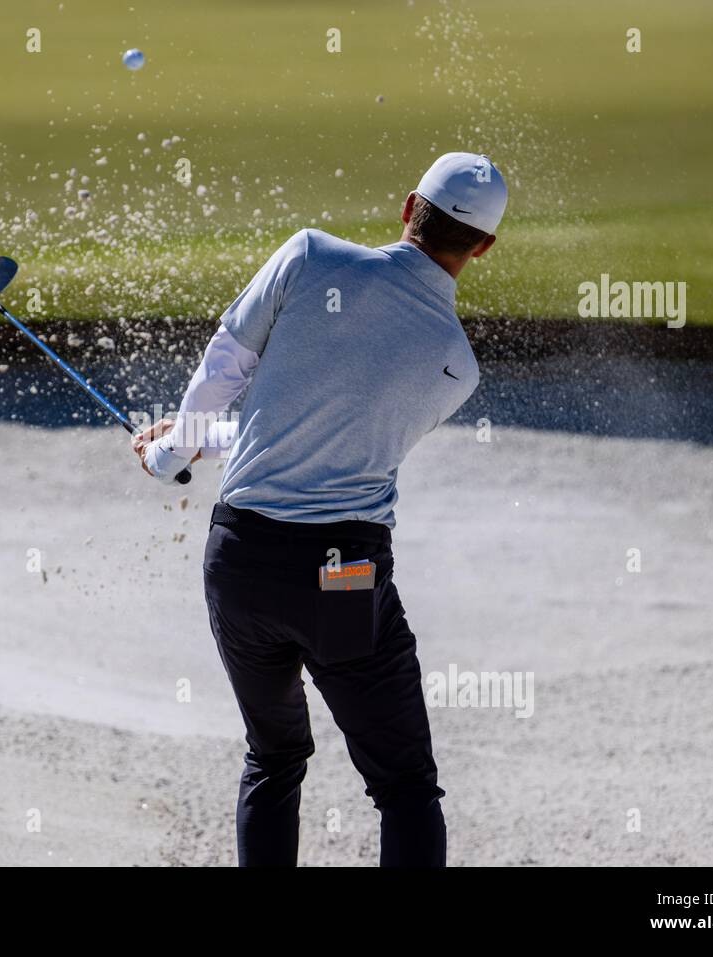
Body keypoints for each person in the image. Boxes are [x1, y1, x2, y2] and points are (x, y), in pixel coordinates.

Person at [133, 152, 507, 867]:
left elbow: (229, 372)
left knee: (273, 757)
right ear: (483, 246)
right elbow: (333, 430)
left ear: (408, 207)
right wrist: (192, 443)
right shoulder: (457, 365)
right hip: (341, 574)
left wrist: (176, 448)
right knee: (403, 787)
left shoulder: (308, 255)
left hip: (241, 562)